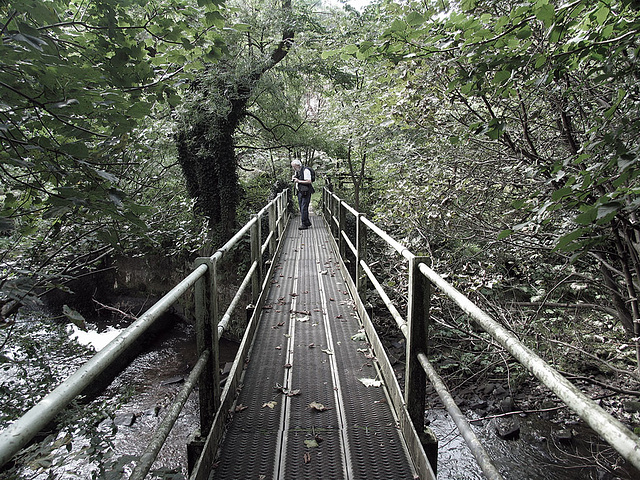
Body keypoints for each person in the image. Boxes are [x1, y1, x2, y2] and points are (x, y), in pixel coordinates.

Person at [291, 159, 314, 230]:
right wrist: (294, 178)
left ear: (298, 165)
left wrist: (298, 181)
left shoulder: (305, 171)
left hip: (306, 192)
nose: (293, 168)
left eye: (294, 167)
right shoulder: (298, 171)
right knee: (302, 208)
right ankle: (307, 222)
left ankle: (304, 224)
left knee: (304, 207)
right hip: (300, 192)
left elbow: (309, 181)